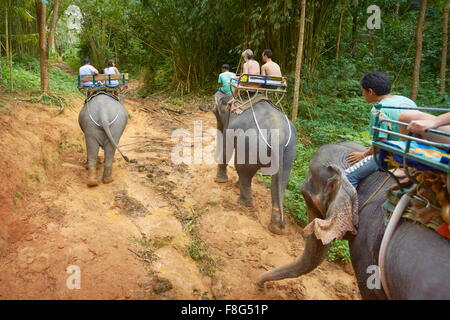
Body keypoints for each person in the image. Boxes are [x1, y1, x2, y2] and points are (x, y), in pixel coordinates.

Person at [345, 72, 417, 189]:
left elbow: (380, 145)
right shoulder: (406, 101)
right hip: (414, 149)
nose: (362, 94)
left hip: (393, 155)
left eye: (363, 91)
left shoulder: (378, 110)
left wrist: (364, 154)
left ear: (370, 91)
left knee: (348, 176)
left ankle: (351, 207)